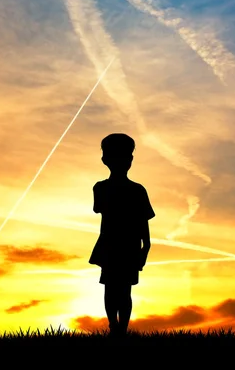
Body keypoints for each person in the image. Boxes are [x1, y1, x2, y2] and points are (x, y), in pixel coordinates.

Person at [89, 133, 155, 337]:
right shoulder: (101, 188)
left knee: (123, 290)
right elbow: (99, 208)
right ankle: (114, 327)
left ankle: (121, 330)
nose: (122, 161)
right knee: (112, 288)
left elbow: (143, 220)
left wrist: (147, 245)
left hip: (128, 245)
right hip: (111, 244)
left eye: (125, 156)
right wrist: (145, 245)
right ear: (105, 160)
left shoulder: (137, 190)